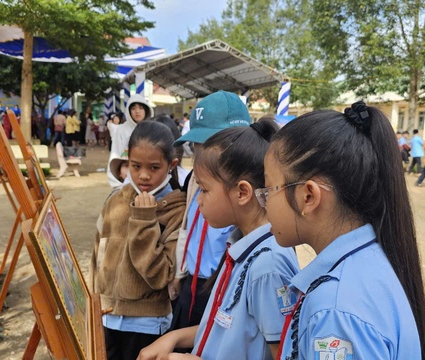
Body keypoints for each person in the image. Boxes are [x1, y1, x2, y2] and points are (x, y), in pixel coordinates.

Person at [265, 102, 425, 359]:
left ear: (308, 196)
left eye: (268, 189)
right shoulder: (370, 259)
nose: (263, 201)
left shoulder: (335, 311)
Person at [138, 119, 300, 360]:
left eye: (204, 190)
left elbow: (284, 356)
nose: (198, 201)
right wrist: (172, 338)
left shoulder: (268, 266)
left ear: (242, 193)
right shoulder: (241, 248)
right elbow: (224, 329)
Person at [90, 120, 186, 360]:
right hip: (105, 317)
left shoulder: (177, 211)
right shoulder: (116, 200)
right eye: (136, 166)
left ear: (171, 164)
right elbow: (98, 256)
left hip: (147, 327)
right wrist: (92, 302)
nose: (144, 175)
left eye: (154, 167)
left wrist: (144, 221)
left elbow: (159, 275)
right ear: (127, 161)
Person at [167, 91, 251, 334]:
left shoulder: (248, 189)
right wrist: (179, 272)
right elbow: (188, 226)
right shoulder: (196, 177)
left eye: (208, 144)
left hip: (219, 290)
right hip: (190, 286)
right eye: (196, 144)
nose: (199, 152)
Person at [107, 94, 152, 189]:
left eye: (141, 108)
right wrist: (117, 184)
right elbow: (116, 154)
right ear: (129, 111)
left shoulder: (151, 129)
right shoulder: (121, 130)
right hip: (127, 177)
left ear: (146, 110)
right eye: (133, 108)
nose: (137, 111)